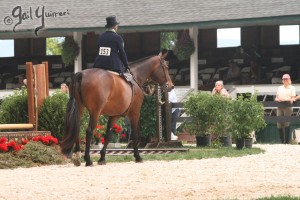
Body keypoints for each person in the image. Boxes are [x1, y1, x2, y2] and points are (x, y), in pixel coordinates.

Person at [275, 74, 296, 144]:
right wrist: (278, 99)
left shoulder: (292, 88)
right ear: (282, 80)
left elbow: (293, 98)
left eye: (286, 79)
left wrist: (286, 99)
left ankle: (286, 141)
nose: (285, 80)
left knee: (286, 122)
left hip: (287, 106)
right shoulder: (279, 88)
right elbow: (277, 97)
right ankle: (281, 141)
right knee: (279, 123)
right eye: (284, 79)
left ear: (289, 80)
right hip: (280, 106)